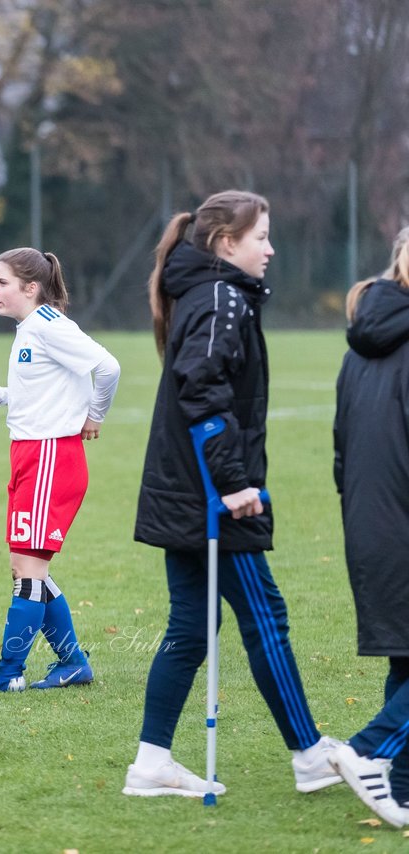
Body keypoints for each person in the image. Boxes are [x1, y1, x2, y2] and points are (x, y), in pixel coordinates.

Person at [126, 190, 339, 798]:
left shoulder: (209, 294)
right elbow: (202, 388)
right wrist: (235, 482)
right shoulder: (220, 297)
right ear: (227, 244)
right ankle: (308, 753)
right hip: (210, 497)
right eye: (261, 237)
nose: (270, 249)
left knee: (191, 628)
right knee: (264, 615)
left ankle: (150, 764)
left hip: (185, 493)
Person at [0, 248, 120, 692]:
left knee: (29, 570)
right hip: (31, 457)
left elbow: (107, 367)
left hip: (52, 457)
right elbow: (44, 385)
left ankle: (9, 671)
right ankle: (72, 663)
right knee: (23, 566)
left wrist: (96, 415)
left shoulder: (51, 326)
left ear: (30, 288)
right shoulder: (31, 328)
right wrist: (1, 393)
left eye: (1, 282)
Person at [330, 227, 409, 827]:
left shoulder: (360, 343)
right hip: (400, 518)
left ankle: (399, 787)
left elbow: (341, 446)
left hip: (369, 521)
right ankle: (366, 752)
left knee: (406, 658)